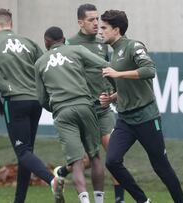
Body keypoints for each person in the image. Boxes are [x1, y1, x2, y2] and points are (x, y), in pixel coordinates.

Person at [99, 10, 183, 203]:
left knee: (161, 167)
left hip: (147, 117)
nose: (100, 31)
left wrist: (117, 75)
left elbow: (149, 70)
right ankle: (143, 201)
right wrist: (112, 98)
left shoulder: (134, 46)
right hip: (125, 120)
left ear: (116, 29)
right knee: (112, 161)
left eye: (104, 28)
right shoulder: (112, 55)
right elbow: (126, 88)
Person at [0, 8, 64, 203]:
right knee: (27, 152)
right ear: (11, 23)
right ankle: (19, 201)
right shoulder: (30, 43)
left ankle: (52, 180)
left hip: (14, 101)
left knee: (22, 151)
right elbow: (45, 67)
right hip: (36, 102)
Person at [54, 4, 125, 203]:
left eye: (97, 19)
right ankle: (62, 172)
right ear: (80, 22)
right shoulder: (69, 44)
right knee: (85, 160)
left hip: (102, 109)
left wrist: (114, 93)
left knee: (114, 155)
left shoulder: (103, 42)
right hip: (82, 109)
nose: (97, 24)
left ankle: (119, 199)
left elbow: (108, 71)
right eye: (91, 20)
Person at [35, 26, 109, 203]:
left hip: (62, 112)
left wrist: (57, 108)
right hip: (85, 105)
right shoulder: (77, 50)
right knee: (95, 156)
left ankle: (85, 201)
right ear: (64, 38)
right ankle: (99, 201)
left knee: (76, 162)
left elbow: (42, 99)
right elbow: (104, 65)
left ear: (46, 42)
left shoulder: (40, 62)